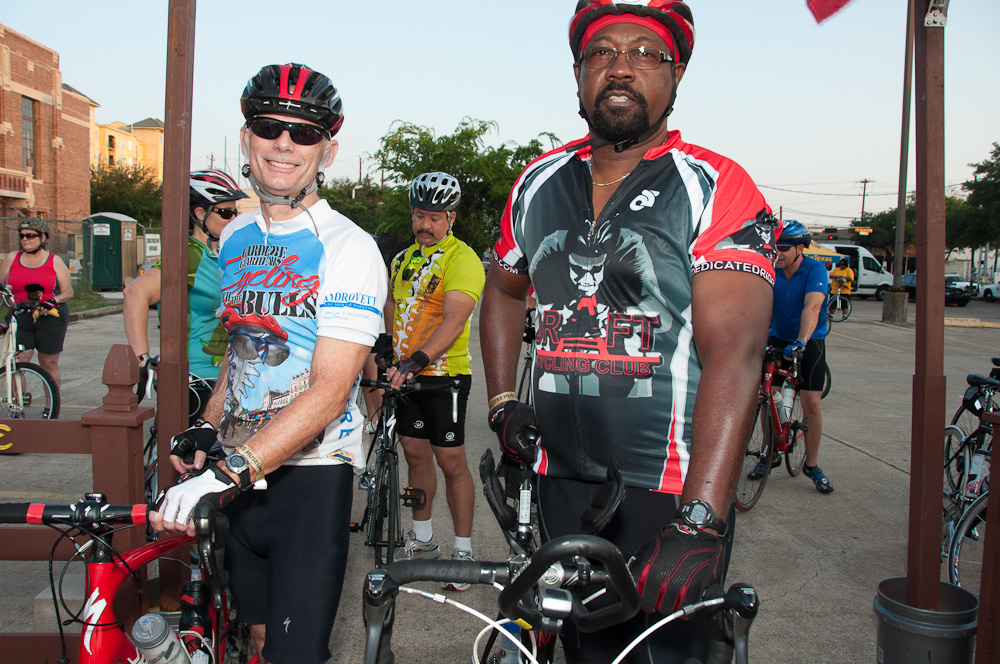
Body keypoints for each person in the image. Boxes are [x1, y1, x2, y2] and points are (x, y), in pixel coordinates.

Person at [480, 2, 777, 662]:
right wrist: (503, 403)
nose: (620, 66)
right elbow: (501, 289)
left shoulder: (715, 184)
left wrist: (702, 518)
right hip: (555, 479)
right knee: (576, 652)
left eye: (646, 53)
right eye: (601, 52)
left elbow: (736, 354)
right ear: (578, 74)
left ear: (677, 75)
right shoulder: (536, 179)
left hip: (668, 492)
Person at [149, 62, 387, 664]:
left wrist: (227, 473)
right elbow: (241, 344)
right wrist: (210, 423)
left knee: (293, 655)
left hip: (308, 475)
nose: (284, 143)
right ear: (246, 138)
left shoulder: (349, 248)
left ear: (327, 149)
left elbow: (333, 391)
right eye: (269, 127)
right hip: (236, 468)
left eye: (304, 133)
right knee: (252, 637)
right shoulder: (235, 237)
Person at [380, 172, 485, 591]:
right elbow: (392, 300)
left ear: (451, 218)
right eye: (419, 216)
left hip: (446, 377)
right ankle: (423, 541)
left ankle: (463, 550)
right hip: (408, 376)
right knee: (415, 457)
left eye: (435, 218)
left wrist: (418, 359)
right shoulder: (402, 258)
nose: (425, 224)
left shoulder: (463, 259)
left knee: (450, 461)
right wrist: (386, 346)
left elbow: (455, 317)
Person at [123, 169, 248, 415]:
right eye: (225, 212)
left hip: (223, 377)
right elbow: (135, 293)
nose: (233, 219)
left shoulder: (215, 254)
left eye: (236, 212)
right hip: (195, 381)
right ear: (200, 213)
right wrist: (142, 361)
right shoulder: (189, 253)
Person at [762, 220, 834, 493]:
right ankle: (770, 453)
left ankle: (811, 465)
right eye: (774, 247)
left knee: (811, 402)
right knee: (767, 396)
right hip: (778, 335)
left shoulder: (815, 269)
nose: (777, 253)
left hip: (809, 339)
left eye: (783, 248)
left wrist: (802, 341)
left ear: (800, 249)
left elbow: (813, 306)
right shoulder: (770, 268)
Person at [0, 218, 73, 399]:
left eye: (31, 236)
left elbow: (68, 292)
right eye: (22, 236)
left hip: (49, 316)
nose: (25, 239)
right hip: (20, 314)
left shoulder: (54, 261)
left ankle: (51, 407)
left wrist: (52, 301)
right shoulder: (11, 258)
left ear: (43, 238)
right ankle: (19, 403)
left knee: (48, 363)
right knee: (19, 360)